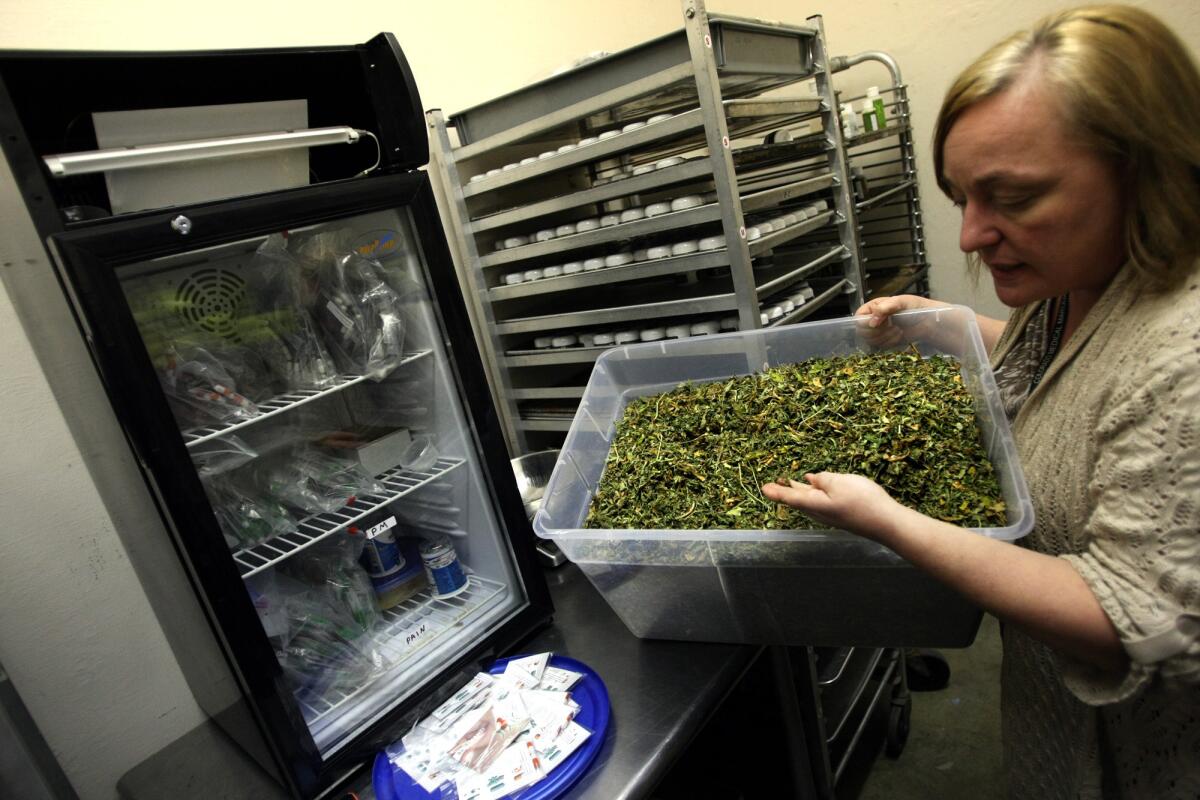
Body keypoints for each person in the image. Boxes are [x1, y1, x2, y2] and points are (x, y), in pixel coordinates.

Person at [762, 5, 1200, 798]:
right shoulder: (1082, 279)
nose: (969, 235)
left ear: (1147, 170)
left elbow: (1140, 625)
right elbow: (1083, 370)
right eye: (961, 195)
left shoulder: (1188, 354)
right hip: (1055, 714)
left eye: (1013, 197)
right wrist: (963, 329)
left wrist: (888, 520)